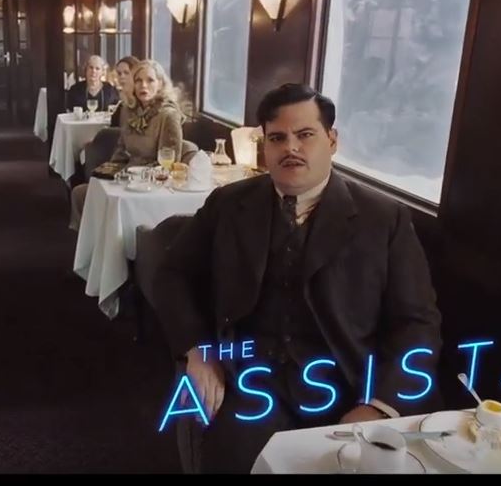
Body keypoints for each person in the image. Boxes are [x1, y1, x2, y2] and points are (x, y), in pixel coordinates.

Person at [142, 83, 443, 474]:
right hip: (249, 380)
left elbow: (418, 322)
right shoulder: (228, 204)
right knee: (234, 461)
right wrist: (198, 349)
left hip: (347, 384)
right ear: (264, 146)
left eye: (305, 135)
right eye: (277, 138)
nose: (291, 148)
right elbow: (173, 274)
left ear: (332, 141)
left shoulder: (384, 219)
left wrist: (378, 405)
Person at [70, 59, 183, 229]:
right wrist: (109, 172)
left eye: (150, 80)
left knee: (107, 199)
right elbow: (121, 148)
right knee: (80, 193)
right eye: (138, 80)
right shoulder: (128, 111)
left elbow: (169, 162)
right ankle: (91, 241)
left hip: (151, 183)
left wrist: (136, 176)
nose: (143, 85)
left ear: (160, 84)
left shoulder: (168, 115)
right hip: (127, 176)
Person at [109, 55, 139, 127]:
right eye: (119, 74)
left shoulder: (143, 101)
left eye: (126, 73)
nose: (122, 77)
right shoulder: (122, 106)